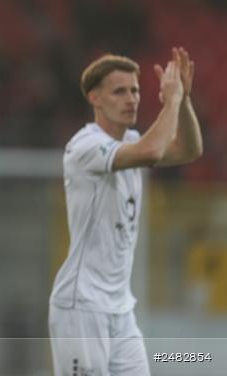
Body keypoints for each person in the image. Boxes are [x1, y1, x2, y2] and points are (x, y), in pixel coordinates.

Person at [49, 49, 203, 376]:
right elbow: (152, 151)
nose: (131, 98)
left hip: (121, 309)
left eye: (135, 90)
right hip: (82, 307)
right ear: (95, 98)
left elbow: (190, 149)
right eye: (120, 91)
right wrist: (171, 102)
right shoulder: (85, 146)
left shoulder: (132, 139)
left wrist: (184, 99)